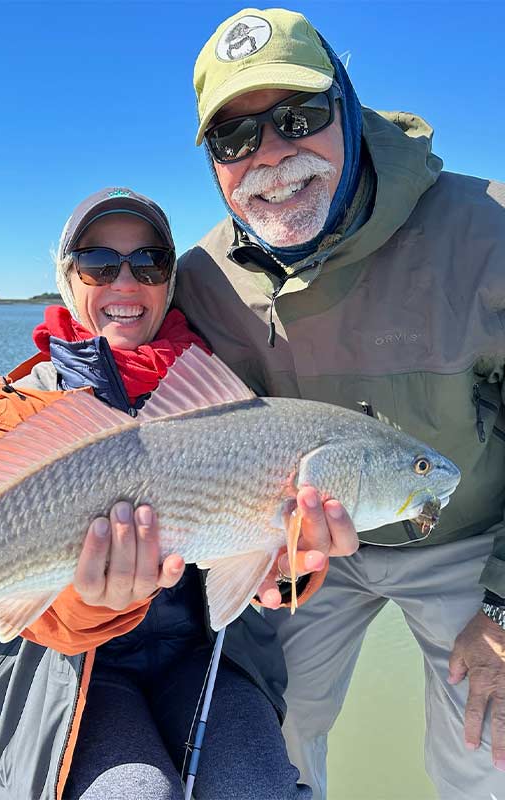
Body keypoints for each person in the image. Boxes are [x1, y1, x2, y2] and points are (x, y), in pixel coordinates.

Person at [173, 7, 505, 799]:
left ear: (350, 109)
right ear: (214, 163)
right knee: (265, 729)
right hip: (303, 550)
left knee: (489, 741)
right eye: (235, 138)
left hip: (475, 542)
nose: (272, 156)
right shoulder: (202, 279)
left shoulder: (488, 229)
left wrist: (503, 607)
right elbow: (191, 436)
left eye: (299, 117)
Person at [0, 187, 356, 800]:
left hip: (205, 657)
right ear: (67, 277)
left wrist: (288, 567)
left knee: (256, 788)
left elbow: (260, 571)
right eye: (98, 263)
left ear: (170, 280)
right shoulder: (14, 412)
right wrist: (98, 601)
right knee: (133, 791)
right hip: (61, 673)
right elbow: (21, 609)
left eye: (149, 262)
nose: (125, 282)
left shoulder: (236, 394)